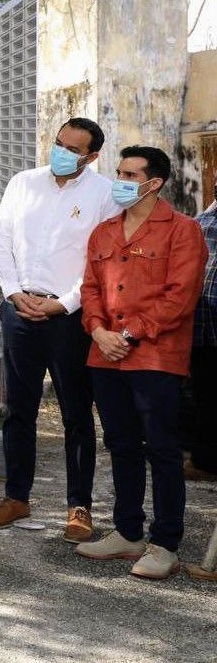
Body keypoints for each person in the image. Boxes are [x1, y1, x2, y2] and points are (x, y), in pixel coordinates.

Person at [0, 117, 119, 543]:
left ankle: (78, 506)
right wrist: (12, 293)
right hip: (19, 310)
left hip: (69, 317)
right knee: (18, 410)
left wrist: (63, 302)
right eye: (58, 143)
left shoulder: (104, 195)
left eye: (73, 148)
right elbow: (1, 244)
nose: (61, 151)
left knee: (76, 415)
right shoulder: (23, 183)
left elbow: (101, 261)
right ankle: (16, 497)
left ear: (92, 156)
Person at [74, 146, 207, 579]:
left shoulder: (183, 231)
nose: (121, 179)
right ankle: (127, 532)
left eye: (130, 174)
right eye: (119, 171)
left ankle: (166, 542)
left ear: (155, 182)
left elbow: (180, 298)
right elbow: (91, 288)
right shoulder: (104, 231)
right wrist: (98, 331)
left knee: (163, 449)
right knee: (122, 445)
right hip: (105, 354)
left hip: (154, 356)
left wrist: (127, 334)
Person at [183, 199, 217, 480]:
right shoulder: (199, 224)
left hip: (204, 324)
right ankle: (204, 461)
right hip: (202, 326)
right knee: (205, 395)